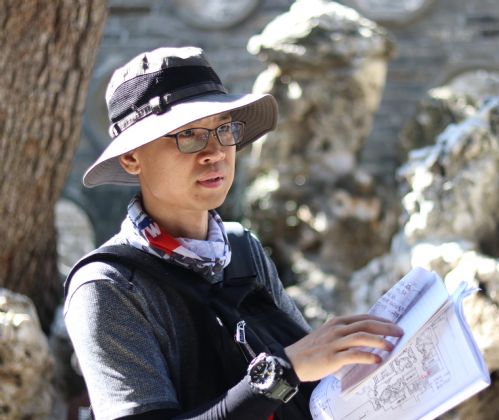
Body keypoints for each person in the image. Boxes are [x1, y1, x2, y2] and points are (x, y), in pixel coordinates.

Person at [64, 46, 403, 420]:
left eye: (224, 129)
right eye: (188, 134)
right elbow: (293, 368)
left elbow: (314, 388)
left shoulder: (242, 249)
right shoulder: (108, 286)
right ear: (132, 158)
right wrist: (282, 371)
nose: (215, 152)